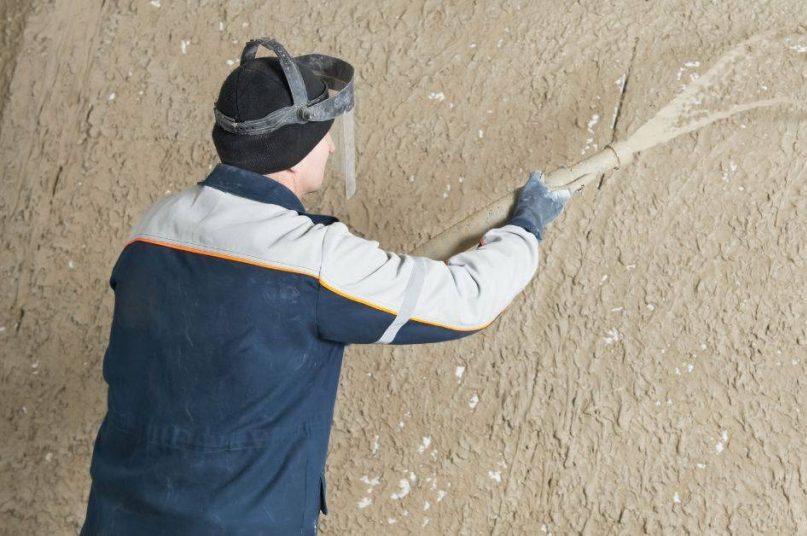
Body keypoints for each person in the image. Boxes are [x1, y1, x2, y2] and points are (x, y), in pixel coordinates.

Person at [80, 38, 570, 535]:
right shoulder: (314, 260)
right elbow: (467, 300)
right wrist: (525, 229)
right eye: (323, 136)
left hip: (117, 518)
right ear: (292, 155)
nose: (332, 146)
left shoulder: (153, 227)